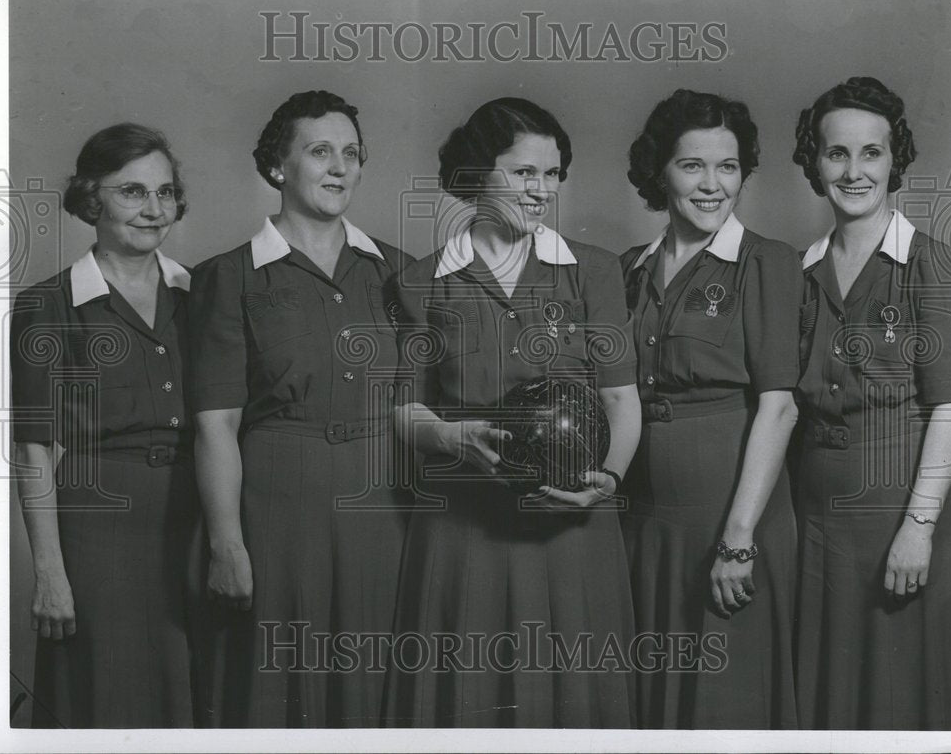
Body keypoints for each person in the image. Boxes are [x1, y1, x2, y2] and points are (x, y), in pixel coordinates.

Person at [384, 97, 642, 728]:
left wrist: (606, 482)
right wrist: (452, 436)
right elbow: (404, 412)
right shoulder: (421, 282)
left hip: (574, 521)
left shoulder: (594, 271)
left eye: (553, 175)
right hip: (463, 529)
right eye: (526, 173)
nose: (543, 191)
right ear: (476, 174)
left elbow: (620, 399)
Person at [188, 90, 411, 727]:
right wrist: (227, 544)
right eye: (320, 152)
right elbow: (215, 424)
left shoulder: (399, 272)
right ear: (278, 167)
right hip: (278, 508)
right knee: (278, 680)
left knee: (375, 682)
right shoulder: (228, 277)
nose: (340, 167)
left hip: (382, 506)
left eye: (352, 153)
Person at [619, 89, 801, 729]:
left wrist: (739, 540)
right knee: (652, 707)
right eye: (693, 165)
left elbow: (778, 410)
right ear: (659, 172)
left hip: (731, 522)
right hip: (646, 526)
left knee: (728, 707)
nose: (712, 184)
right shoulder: (629, 271)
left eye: (728, 167)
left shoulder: (769, 263)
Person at [791, 76, 951, 730]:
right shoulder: (801, 273)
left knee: (896, 700)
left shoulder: (933, 264)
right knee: (824, 703)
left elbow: (950, 409)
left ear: (897, 161)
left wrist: (918, 531)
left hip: (899, 518)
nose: (854, 170)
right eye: (837, 153)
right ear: (815, 162)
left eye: (872, 153)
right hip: (814, 521)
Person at [11, 123, 196, 727]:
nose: (153, 209)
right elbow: (34, 450)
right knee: (102, 697)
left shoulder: (201, 294)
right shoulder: (49, 304)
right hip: (98, 527)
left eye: (164, 193)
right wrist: (50, 576)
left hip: (191, 521)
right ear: (92, 199)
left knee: (186, 692)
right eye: (132, 192)